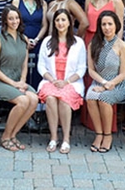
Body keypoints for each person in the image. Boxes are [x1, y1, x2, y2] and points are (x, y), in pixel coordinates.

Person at [37, 9, 86, 154]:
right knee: (51, 98)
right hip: (51, 81)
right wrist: (52, 80)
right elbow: (41, 65)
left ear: (70, 22)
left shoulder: (78, 43)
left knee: (64, 99)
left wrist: (66, 82)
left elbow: (81, 69)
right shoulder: (47, 41)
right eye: (57, 20)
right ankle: (53, 137)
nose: (60, 23)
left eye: (63, 20)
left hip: (71, 83)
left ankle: (66, 139)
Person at [0, 5, 39, 152]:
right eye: (11, 18)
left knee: (34, 99)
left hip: (18, 79)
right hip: (1, 80)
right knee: (23, 101)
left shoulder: (23, 39)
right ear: (5, 20)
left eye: (17, 18)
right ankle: (5, 137)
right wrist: (14, 84)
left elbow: (24, 65)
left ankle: (13, 135)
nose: (14, 21)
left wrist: (22, 81)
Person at [85, 11, 125, 153]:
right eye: (103, 24)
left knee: (104, 99)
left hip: (118, 83)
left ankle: (108, 135)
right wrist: (104, 83)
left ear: (116, 25)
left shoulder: (122, 46)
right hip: (99, 81)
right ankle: (99, 134)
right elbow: (91, 70)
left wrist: (109, 85)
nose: (107, 27)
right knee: (90, 97)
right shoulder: (93, 44)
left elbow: (123, 74)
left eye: (110, 24)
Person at [12, 0, 48, 88]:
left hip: (37, 41)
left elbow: (44, 25)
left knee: (37, 68)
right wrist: (24, 39)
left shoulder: (42, 3)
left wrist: (36, 40)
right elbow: (13, 23)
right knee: (21, 67)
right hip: (20, 40)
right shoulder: (17, 2)